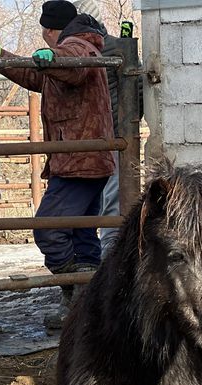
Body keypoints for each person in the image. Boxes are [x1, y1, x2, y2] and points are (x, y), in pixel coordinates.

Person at [0, 0, 115, 329]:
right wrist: (2, 56)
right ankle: (90, 308)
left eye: (45, 34)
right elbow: (35, 75)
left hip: (79, 160)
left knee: (48, 228)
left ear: (51, 31)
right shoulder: (76, 49)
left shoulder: (77, 46)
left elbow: (74, 64)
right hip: (85, 158)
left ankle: (77, 295)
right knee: (82, 236)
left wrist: (55, 56)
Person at [72, 0, 122, 257]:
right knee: (106, 197)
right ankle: (99, 254)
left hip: (104, 135)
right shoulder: (112, 46)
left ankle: (105, 256)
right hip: (105, 134)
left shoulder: (99, 49)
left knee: (106, 198)